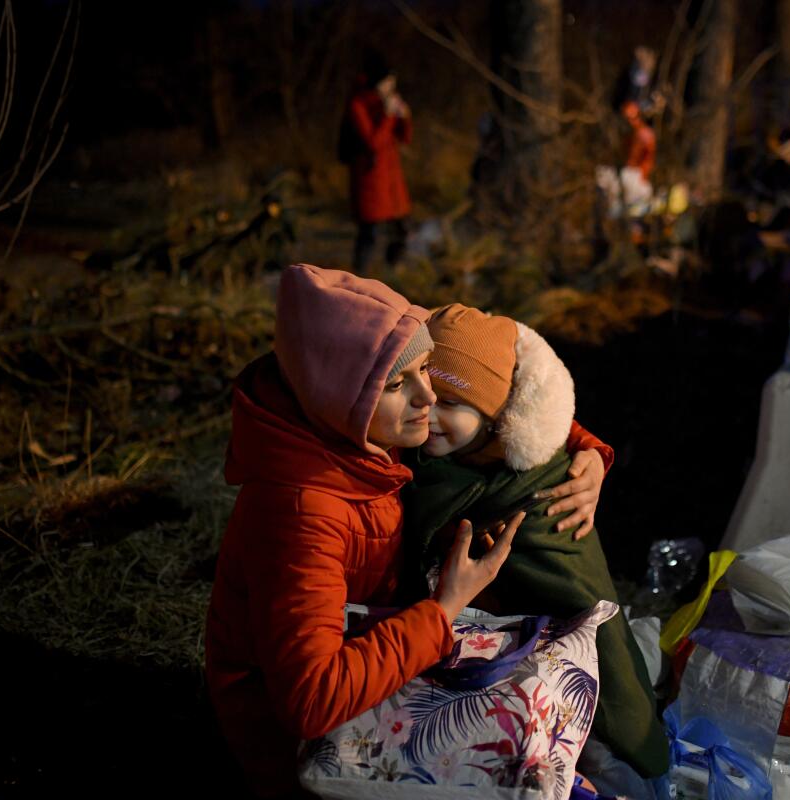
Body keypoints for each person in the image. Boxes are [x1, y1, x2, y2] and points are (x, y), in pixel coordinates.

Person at [205, 265, 610, 797]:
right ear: (343, 394)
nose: (428, 397)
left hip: (377, 658)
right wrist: (444, 607)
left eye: (428, 371)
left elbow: (494, 382)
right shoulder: (301, 512)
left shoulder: (358, 429)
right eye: (401, 383)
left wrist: (587, 450)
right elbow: (312, 703)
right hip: (306, 756)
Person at [400, 303, 670, 791]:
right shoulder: (444, 451)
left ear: (496, 414)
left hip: (553, 659)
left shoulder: (541, 491)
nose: (429, 412)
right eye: (425, 392)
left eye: (451, 403)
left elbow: (577, 597)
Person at [344, 51, 411, 273]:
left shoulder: (386, 102)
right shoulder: (358, 104)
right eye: (388, 82)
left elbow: (405, 138)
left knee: (401, 229)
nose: (392, 87)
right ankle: (358, 278)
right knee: (369, 232)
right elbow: (373, 141)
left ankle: (394, 271)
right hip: (370, 180)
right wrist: (388, 115)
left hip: (391, 179)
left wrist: (405, 117)